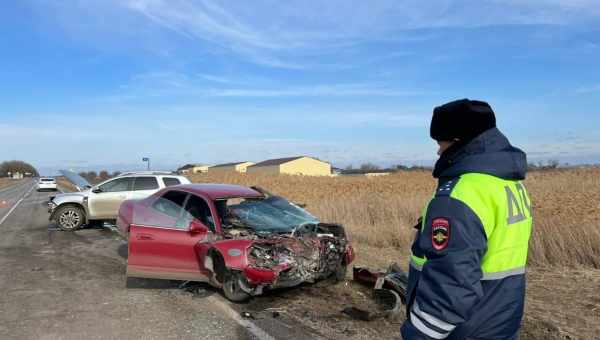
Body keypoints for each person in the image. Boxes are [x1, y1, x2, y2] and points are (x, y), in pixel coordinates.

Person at [401, 99, 533, 340]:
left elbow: (452, 281)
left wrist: (418, 334)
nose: (438, 150)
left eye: (441, 142)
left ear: (458, 141)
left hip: (463, 329)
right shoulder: (509, 184)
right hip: (500, 319)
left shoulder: (460, 194)